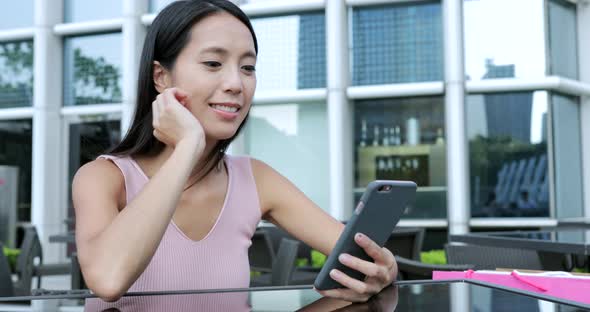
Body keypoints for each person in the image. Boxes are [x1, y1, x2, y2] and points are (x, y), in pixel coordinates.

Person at [71, 0, 397, 310]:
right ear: (161, 77)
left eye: (248, 67)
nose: (235, 83)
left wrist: (384, 270)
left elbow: (360, 256)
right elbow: (108, 279)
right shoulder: (103, 178)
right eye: (213, 63)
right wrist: (187, 147)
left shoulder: (254, 179)